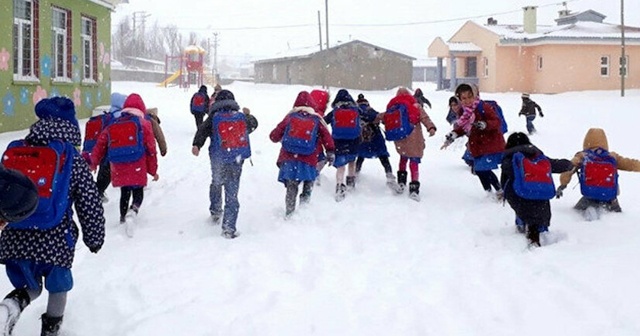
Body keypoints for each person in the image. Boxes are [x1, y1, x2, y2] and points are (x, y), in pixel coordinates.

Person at [0, 97, 105, 335]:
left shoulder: (19, 149)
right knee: (58, 286)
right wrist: (94, 237)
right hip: (56, 238)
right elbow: (89, 201)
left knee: (30, 286)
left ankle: (9, 306)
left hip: (16, 234)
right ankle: (50, 331)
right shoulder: (72, 159)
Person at [91, 94, 159, 236]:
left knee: (125, 191)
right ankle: (133, 210)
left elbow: (100, 144)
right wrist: (153, 170)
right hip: (137, 163)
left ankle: (122, 218)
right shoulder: (144, 124)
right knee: (138, 192)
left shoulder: (114, 123)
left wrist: (93, 162)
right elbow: (151, 148)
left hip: (118, 164)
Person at [192, 89, 256, 238]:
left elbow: (202, 131)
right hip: (236, 158)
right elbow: (253, 125)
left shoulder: (213, 116)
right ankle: (228, 228)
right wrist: (248, 115)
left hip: (218, 157)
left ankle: (215, 211)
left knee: (216, 182)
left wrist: (197, 145)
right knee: (232, 191)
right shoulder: (240, 117)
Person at [500, 132, 573, 246]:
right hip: (541, 195)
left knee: (524, 212)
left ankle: (523, 227)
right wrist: (569, 164)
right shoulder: (537, 156)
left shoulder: (509, 158)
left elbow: (505, 181)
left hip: (521, 196)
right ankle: (543, 232)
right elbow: (555, 165)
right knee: (539, 214)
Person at [269, 91, 335, 217]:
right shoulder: (316, 119)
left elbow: (273, 136)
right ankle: (304, 211)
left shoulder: (290, 117)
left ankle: (290, 213)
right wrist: (330, 151)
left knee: (292, 187)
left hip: (289, 158)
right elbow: (327, 137)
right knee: (308, 183)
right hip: (309, 159)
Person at [557, 128, 640, 220]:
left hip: (589, 194)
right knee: (619, 218)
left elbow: (569, 169)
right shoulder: (612, 156)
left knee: (576, 213)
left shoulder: (583, 156)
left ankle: (586, 218)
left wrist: (563, 185)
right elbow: (630, 164)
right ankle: (615, 222)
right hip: (610, 197)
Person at [442, 83, 505, 199]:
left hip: (490, 143)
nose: (467, 101)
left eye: (470, 97)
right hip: (477, 145)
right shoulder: (464, 112)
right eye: (463, 98)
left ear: (475, 95)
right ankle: (489, 192)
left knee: (482, 168)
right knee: (479, 170)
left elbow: (497, 122)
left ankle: (499, 190)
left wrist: (485, 124)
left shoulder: (483, 107)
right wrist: (454, 134)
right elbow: (462, 127)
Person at [379, 88, 436, 201]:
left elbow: (383, 117)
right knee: (414, 162)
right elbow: (425, 117)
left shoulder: (393, 107)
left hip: (401, 138)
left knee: (403, 158)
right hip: (414, 137)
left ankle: (401, 183)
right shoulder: (415, 106)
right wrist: (431, 127)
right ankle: (414, 188)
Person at [323, 89, 362, 202]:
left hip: (338, 140)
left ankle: (340, 185)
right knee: (351, 161)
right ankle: (351, 182)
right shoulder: (356, 110)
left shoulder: (335, 111)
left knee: (340, 164)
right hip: (353, 140)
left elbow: (324, 121)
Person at [355, 94, 396, 189]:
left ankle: (356, 174)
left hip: (362, 140)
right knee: (383, 157)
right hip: (376, 139)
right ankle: (389, 176)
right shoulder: (371, 111)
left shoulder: (355, 112)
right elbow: (382, 119)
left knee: (360, 156)